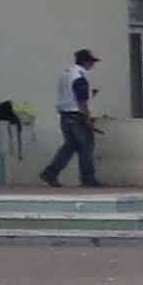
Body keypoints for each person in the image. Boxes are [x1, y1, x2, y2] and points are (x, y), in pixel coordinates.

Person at [42, 48, 104, 189]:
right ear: (84, 61)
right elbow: (81, 99)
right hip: (77, 116)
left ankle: (50, 173)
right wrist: (87, 118)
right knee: (86, 147)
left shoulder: (66, 73)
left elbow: (70, 94)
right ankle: (88, 179)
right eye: (91, 62)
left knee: (70, 146)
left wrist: (90, 94)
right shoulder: (80, 75)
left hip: (65, 115)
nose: (92, 65)